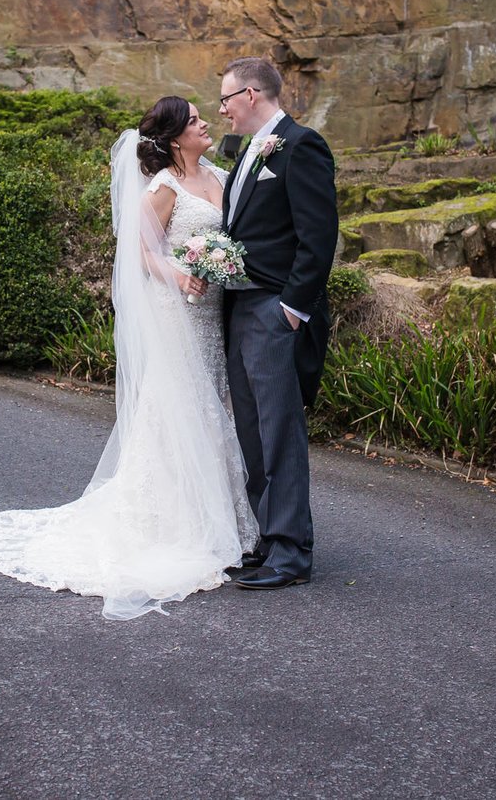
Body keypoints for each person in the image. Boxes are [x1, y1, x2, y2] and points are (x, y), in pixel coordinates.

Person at [0, 96, 258, 620]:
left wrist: (217, 266)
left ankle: (222, 519)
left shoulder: (217, 172)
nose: (206, 123)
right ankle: (178, 524)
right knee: (183, 408)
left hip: (214, 311)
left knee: (212, 404)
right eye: (195, 121)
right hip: (178, 311)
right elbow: (143, 253)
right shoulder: (163, 188)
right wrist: (182, 273)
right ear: (175, 138)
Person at [217, 56, 339, 590]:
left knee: (279, 429)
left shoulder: (300, 145)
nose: (221, 109)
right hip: (239, 309)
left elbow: (319, 237)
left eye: (225, 99)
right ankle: (267, 541)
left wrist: (292, 309)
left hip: (273, 310)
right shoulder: (247, 153)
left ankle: (291, 553)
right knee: (252, 429)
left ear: (250, 94)